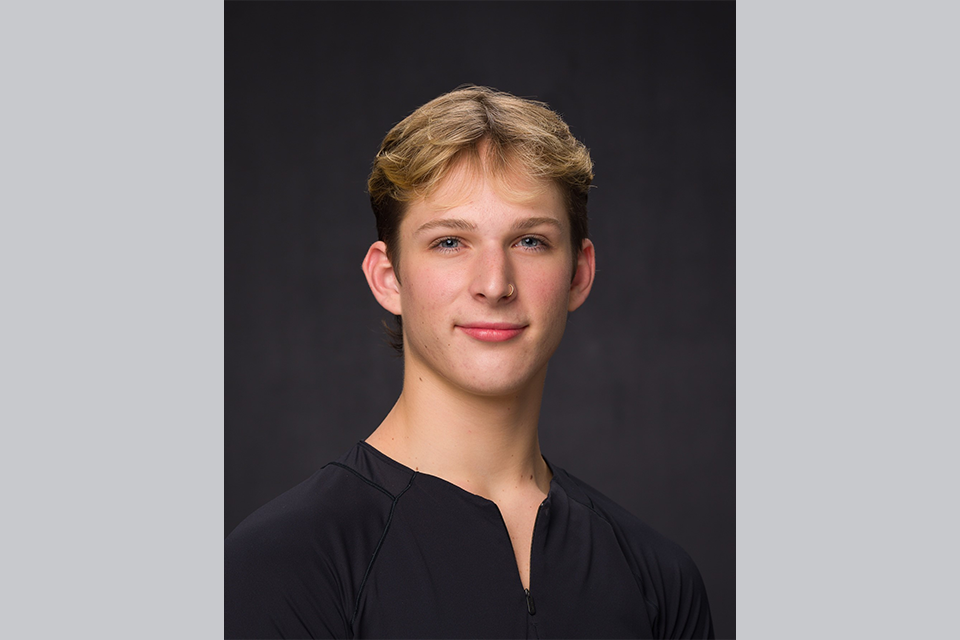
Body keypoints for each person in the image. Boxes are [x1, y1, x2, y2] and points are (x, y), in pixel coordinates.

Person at [225, 85, 714, 639]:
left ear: (579, 274)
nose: (494, 284)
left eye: (530, 241)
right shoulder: (282, 565)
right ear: (388, 278)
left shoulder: (659, 580)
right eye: (450, 242)